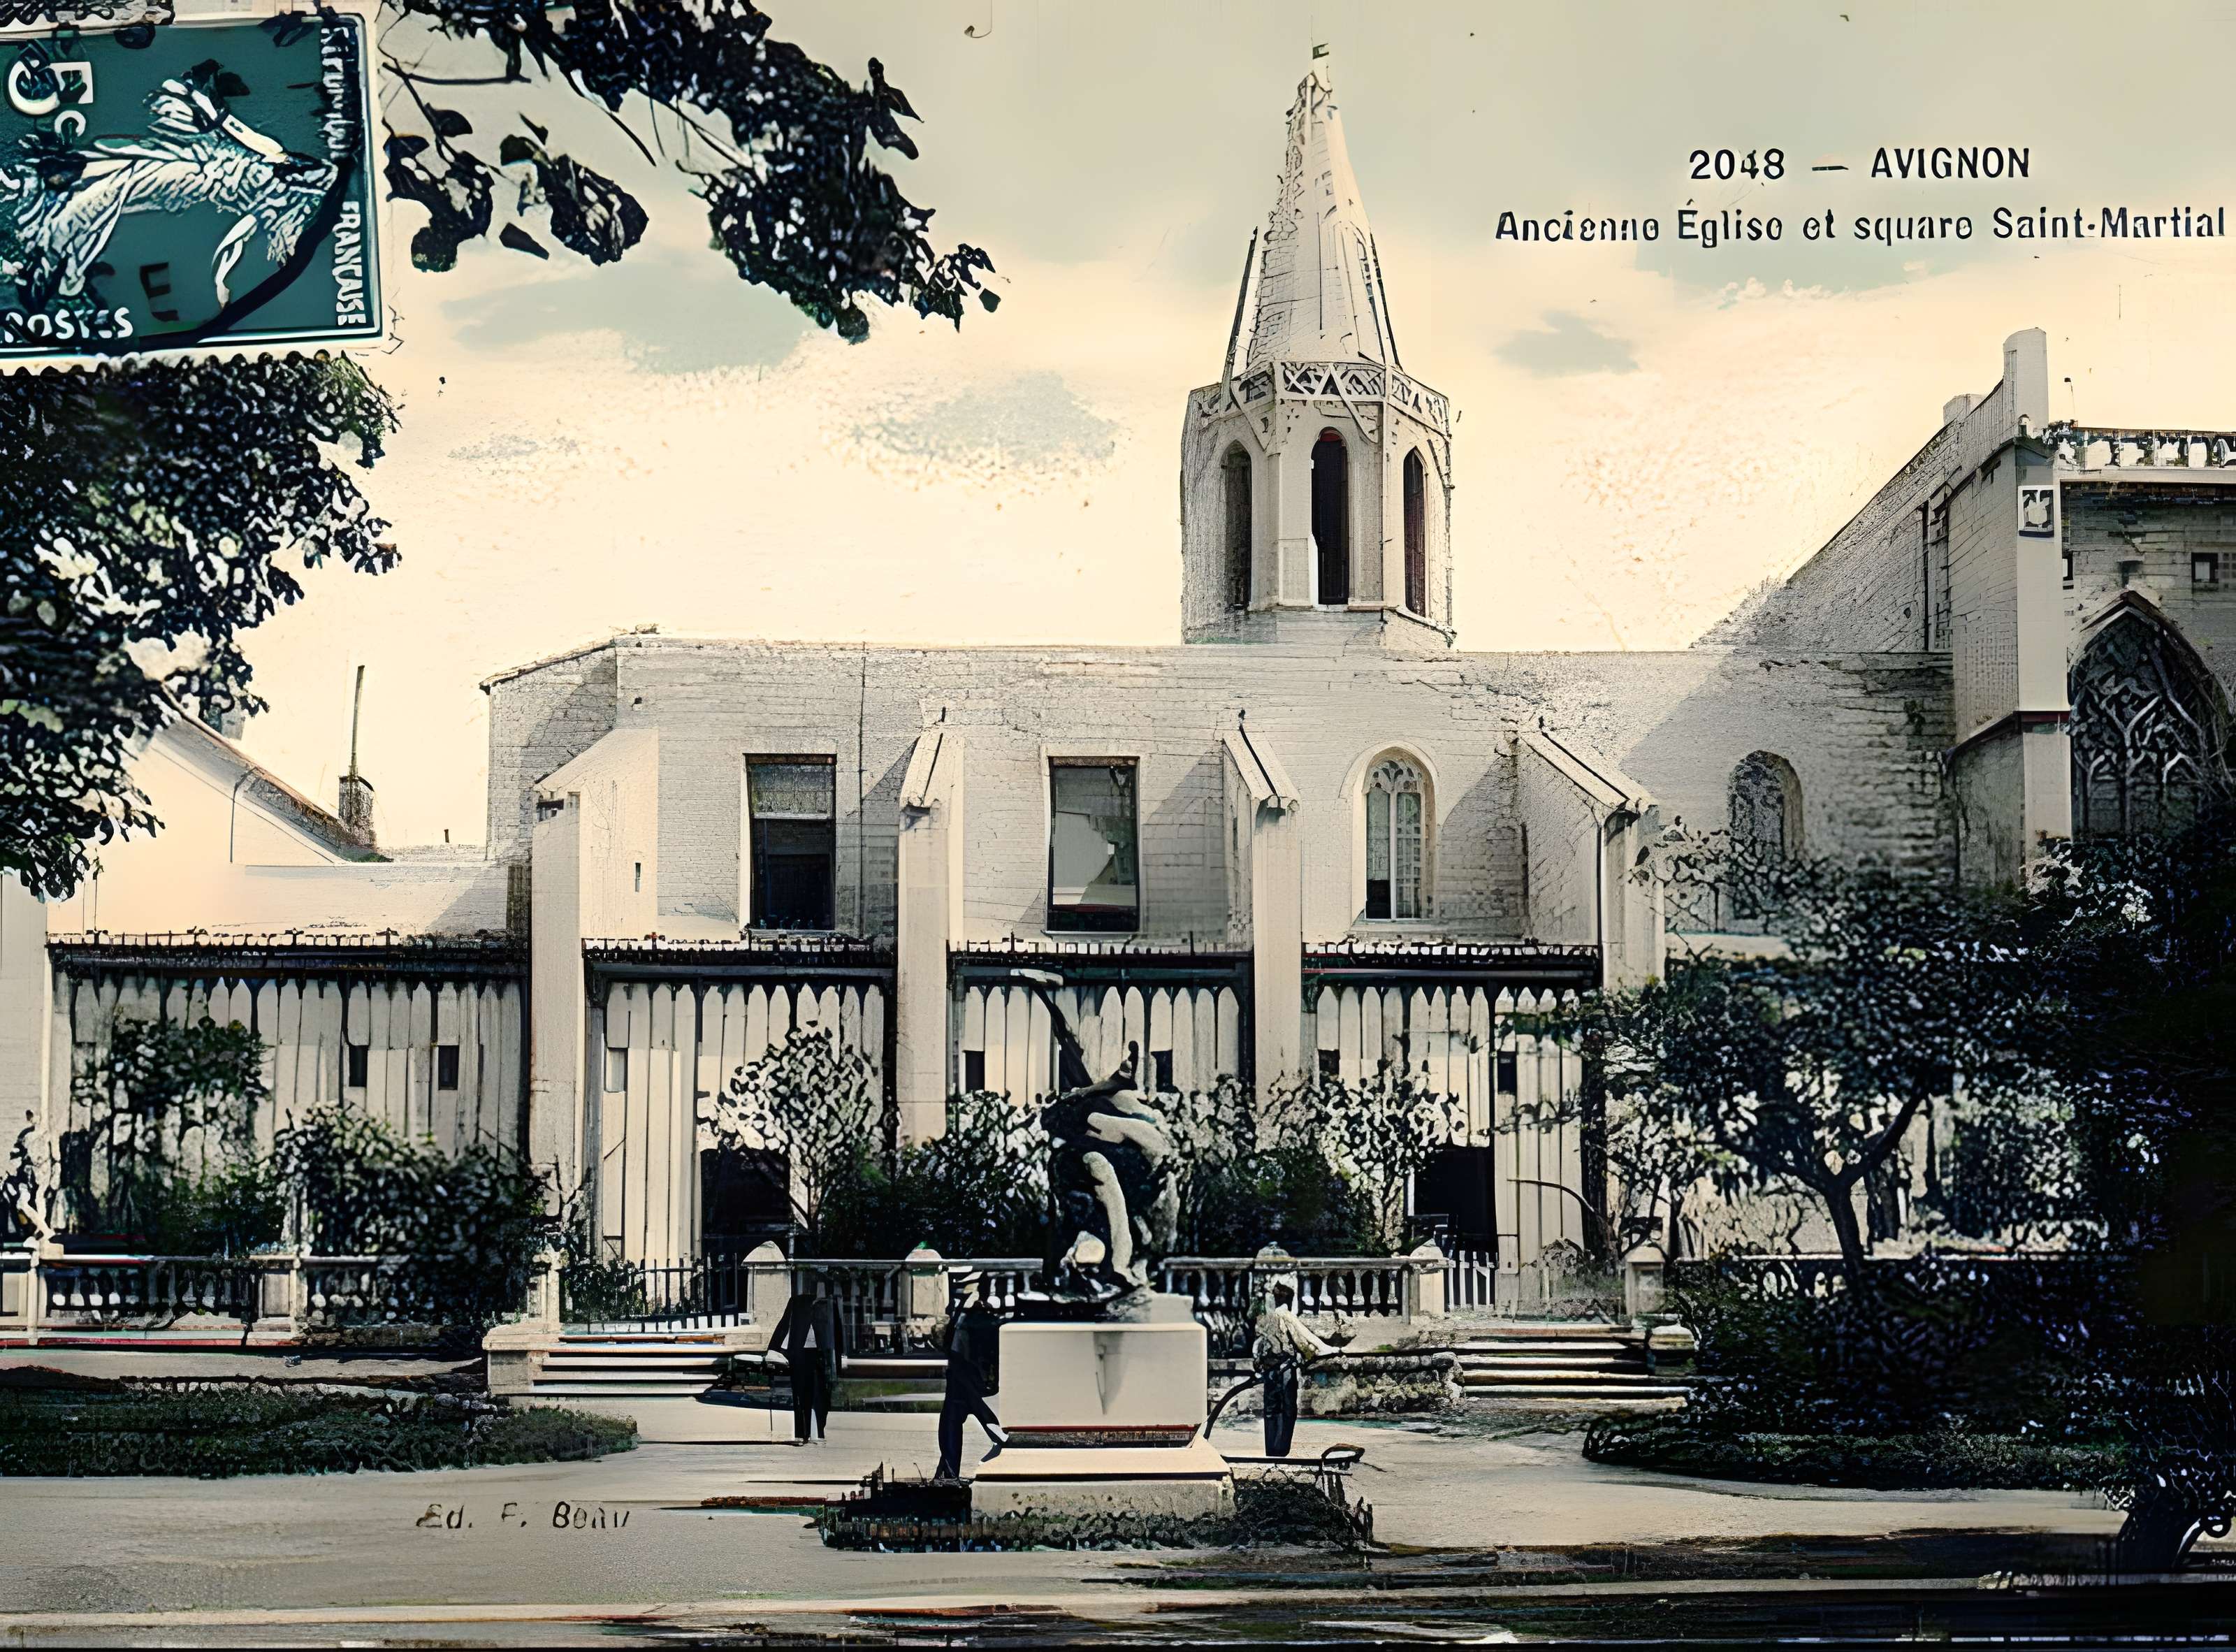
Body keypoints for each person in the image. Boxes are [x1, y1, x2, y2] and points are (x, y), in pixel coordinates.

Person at [934, 1270, 1008, 1479]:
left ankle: (948, 1474)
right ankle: (947, 1474)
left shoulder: (978, 1314)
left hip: (972, 1375)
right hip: (965, 1375)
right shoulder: (970, 1312)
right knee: (953, 1421)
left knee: (986, 1424)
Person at [1251, 1280, 1333, 1458]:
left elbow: (1259, 1346)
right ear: (1289, 1299)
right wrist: (1320, 1351)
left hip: (1270, 1372)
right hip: (1284, 1370)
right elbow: (1305, 1339)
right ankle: (1280, 1449)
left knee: (1272, 1410)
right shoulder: (1285, 1316)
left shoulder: (1268, 1318)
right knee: (1287, 1409)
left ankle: (1272, 1449)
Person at [768, 1290, 843, 1444]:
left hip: (819, 1354)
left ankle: (816, 1432)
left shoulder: (827, 1304)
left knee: (819, 1395)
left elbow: (836, 1332)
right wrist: (774, 1349)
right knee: (802, 1396)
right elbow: (785, 1324)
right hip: (801, 1354)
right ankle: (802, 1433)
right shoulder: (798, 1302)